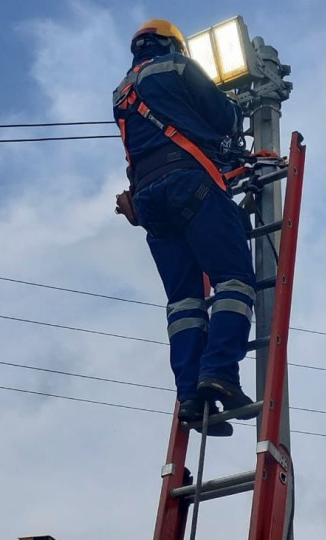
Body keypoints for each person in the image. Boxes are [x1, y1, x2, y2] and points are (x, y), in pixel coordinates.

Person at [112, 20, 258, 436]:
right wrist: (235, 113)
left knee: (184, 304)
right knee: (234, 280)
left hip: (150, 202)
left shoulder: (121, 93)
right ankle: (220, 373)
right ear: (173, 44)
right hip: (189, 183)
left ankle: (190, 397)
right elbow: (224, 116)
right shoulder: (177, 67)